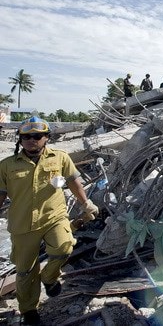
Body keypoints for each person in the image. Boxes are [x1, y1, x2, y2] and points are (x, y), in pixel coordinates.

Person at [0, 117, 99, 325]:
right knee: (25, 270)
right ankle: (29, 311)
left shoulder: (60, 158)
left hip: (54, 217)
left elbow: (74, 182)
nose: (31, 140)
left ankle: (50, 277)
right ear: (20, 139)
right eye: (26, 136)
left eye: (37, 136)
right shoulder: (6, 166)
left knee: (64, 248)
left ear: (46, 138)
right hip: (22, 224)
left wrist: (86, 203)